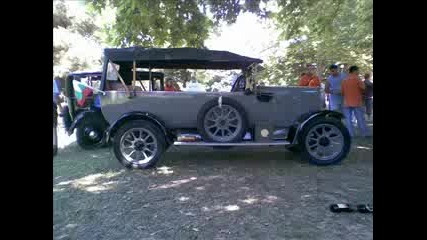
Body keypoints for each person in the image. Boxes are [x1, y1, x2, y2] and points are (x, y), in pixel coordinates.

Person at [341, 66, 369, 137]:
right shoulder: (357, 78)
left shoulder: (344, 80)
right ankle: (364, 133)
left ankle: (350, 134)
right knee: (360, 118)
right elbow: (363, 88)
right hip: (357, 101)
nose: (358, 72)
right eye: (358, 70)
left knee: (348, 119)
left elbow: (342, 92)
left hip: (346, 102)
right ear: (354, 71)